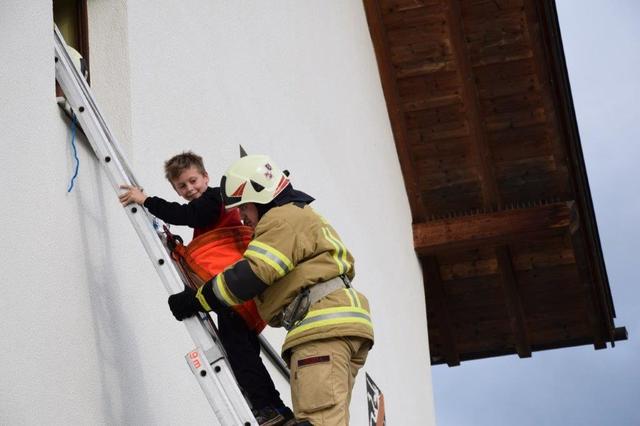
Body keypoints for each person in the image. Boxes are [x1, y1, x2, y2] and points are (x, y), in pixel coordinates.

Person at [168, 153, 374, 425]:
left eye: (244, 208)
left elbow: (250, 275)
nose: (241, 218)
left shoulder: (280, 219)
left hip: (321, 330)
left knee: (316, 421)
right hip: (338, 324)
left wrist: (197, 299)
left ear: (260, 197)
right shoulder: (299, 215)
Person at [119, 151, 293, 426]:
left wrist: (147, 201)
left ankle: (266, 409)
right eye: (182, 186)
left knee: (240, 356)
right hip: (239, 298)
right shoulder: (210, 214)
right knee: (247, 355)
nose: (189, 189)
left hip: (233, 296)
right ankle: (278, 409)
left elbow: (186, 214)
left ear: (206, 177)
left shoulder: (214, 200)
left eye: (193, 181)